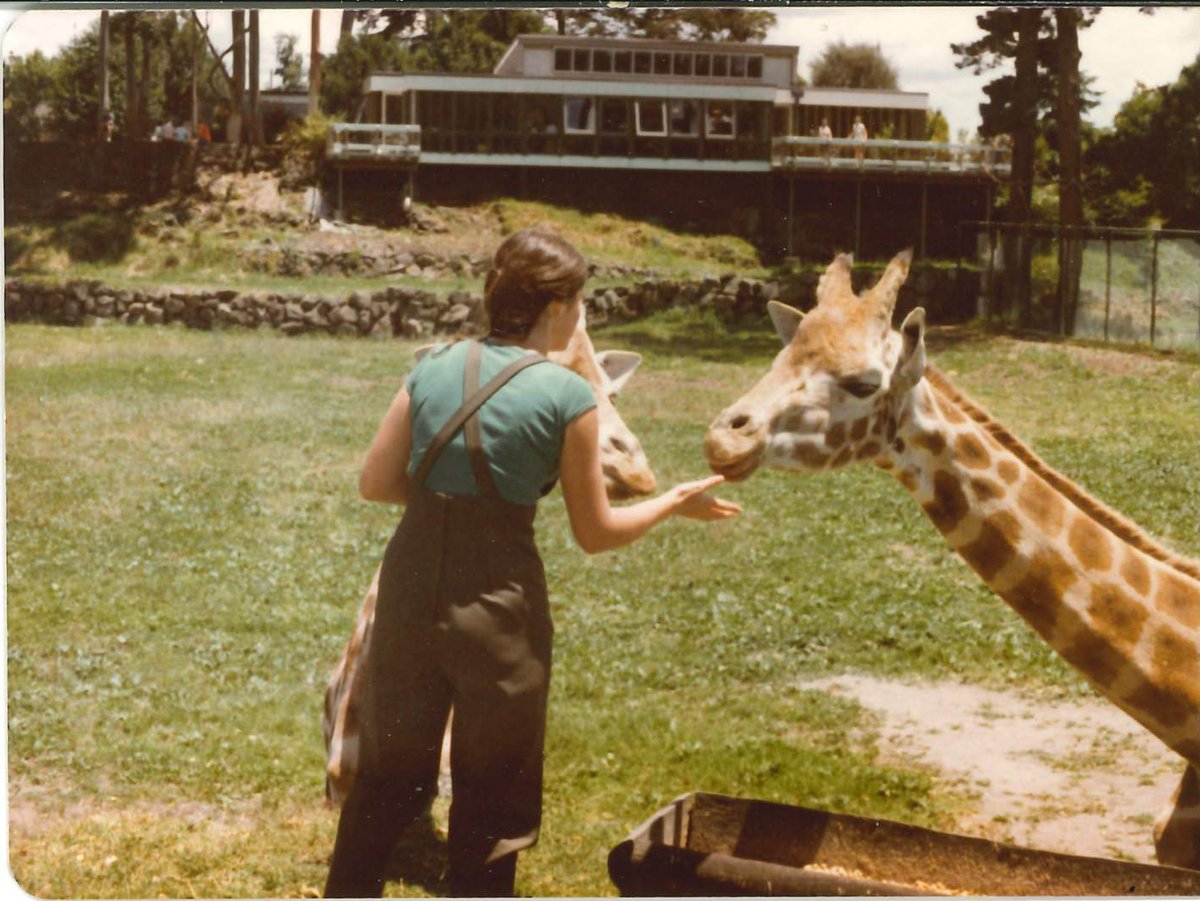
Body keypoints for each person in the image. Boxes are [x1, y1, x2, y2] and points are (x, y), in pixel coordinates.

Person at [323, 228, 740, 898]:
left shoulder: (431, 365)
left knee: (384, 783)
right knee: (490, 802)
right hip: (499, 616)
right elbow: (596, 532)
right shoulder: (568, 397)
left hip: (407, 597)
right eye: (580, 303)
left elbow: (375, 481)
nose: (580, 318)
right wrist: (669, 503)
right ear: (555, 308)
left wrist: (443, 498)